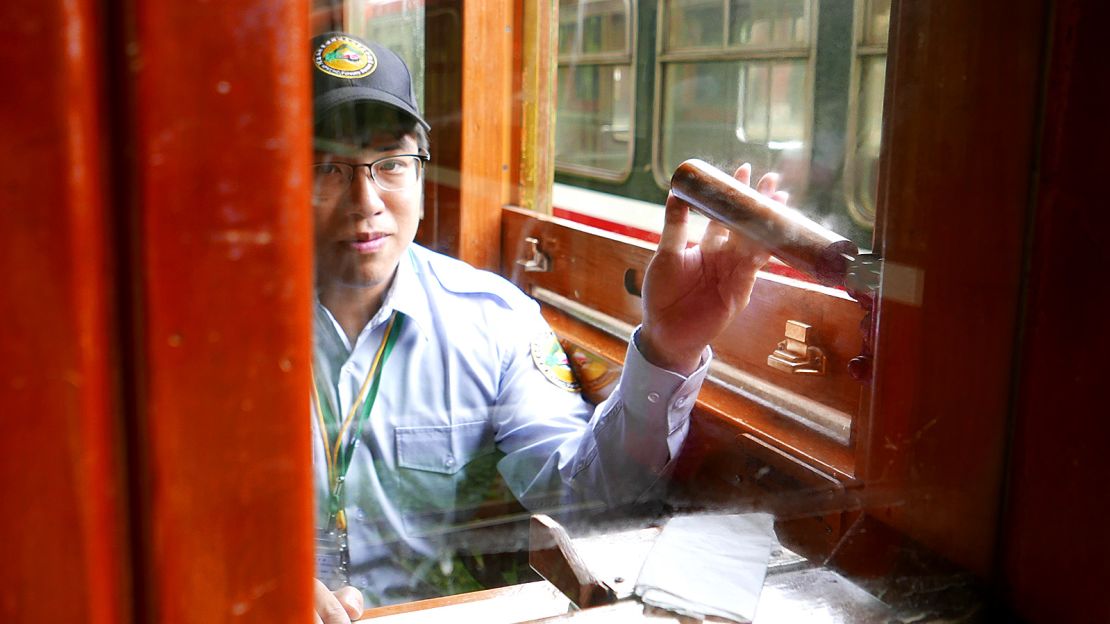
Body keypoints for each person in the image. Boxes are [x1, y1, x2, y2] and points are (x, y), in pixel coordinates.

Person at [307, 32, 784, 623]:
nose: (365, 200)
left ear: (422, 182)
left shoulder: (491, 320)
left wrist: (669, 346)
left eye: (392, 164)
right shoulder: (205, 331)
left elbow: (584, 501)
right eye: (327, 167)